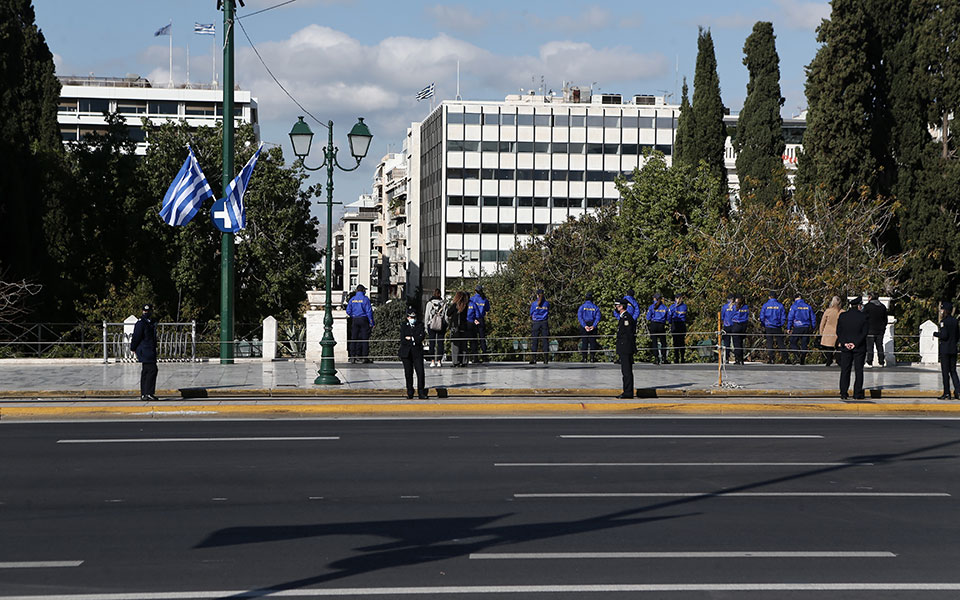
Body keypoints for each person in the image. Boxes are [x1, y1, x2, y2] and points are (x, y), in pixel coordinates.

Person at [836, 296, 869, 400]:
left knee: (845, 370)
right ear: (859, 305)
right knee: (858, 370)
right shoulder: (864, 317)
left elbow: (839, 332)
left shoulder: (843, 316)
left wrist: (845, 343)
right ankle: (857, 393)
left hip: (845, 347)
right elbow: (864, 333)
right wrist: (855, 343)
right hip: (859, 347)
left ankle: (843, 392)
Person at [130, 304, 159, 401]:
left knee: (147, 371)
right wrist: (133, 347)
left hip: (149, 350)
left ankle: (145, 393)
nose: (146, 313)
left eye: (148, 311)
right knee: (151, 370)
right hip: (145, 350)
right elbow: (136, 336)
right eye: (145, 311)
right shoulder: (141, 323)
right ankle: (148, 393)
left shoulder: (150, 322)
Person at [398, 307, 428, 399]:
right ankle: (410, 391)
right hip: (406, 353)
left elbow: (421, 337)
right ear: (407, 317)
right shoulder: (404, 325)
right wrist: (414, 338)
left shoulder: (420, 325)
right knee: (408, 373)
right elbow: (403, 339)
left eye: (414, 317)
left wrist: (411, 338)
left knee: (420, 372)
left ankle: (421, 392)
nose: (412, 319)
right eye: (411, 317)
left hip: (417, 352)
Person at [934, 301, 960, 400]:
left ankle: (947, 392)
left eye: (942, 309)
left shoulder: (943, 322)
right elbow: (958, 335)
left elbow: (944, 336)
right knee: (953, 371)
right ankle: (958, 391)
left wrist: (936, 334)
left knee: (945, 372)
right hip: (953, 349)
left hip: (945, 350)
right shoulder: (955, 321)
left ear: (945, 310)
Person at [346, 284, 375, 364]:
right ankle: (364, 357)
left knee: (354, 338)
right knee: (364, 339)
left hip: (355, 320)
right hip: (363, 319)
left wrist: (353, 315)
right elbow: (369, 312)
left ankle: (353, 356)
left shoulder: (352, 299)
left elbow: (348, 311)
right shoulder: (365, 299)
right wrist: (372, 323)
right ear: (363, 291)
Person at [614, 297, 636, 398]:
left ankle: (628, 392)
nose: (616, 307)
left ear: (621, 306)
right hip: (624, 348)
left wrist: (623, 348)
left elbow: (628, 335)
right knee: (625, 371)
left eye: (617, 306)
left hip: (626, 348)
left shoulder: (626, 318)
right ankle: (627, 391)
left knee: (626, 371)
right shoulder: (623, 317)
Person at [787, 294, 816, 365]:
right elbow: (813, 317)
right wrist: (813, 327)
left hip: (797, 327)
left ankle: (797, 355)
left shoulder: (794, 306)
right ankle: (802, 358)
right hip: (806, 327)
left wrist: (789, 328)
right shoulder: (808, 306)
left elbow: (790, 318)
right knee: (804, 344)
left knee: (793, 342)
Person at [759, 292, 787, 364]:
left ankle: (771, 358)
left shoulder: (765, 305)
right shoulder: (780, 305)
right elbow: (783, 316)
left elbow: (762, 317)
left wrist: (763, 324)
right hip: (777, 326)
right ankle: (785, 358)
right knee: (781, 343)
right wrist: (781, 324)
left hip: (768, 326)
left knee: (769, 343)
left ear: (769, 297)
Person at [864, 292, 888, 367]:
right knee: (880, 346)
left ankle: (869, 362)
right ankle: (881, 362)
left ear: (870, 297)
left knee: (870, 347)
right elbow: (885, 319)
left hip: (870, 330)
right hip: (880, 330)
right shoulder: (882, 307)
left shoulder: (867, 306)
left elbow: (864, 318)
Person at [446, 291, 469, 367]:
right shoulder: (466, 306)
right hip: (464, 328)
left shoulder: (455, 305)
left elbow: (448, 313)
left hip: (455, 328)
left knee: (455, 346)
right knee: (464, 346)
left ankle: (456, 361)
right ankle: (464, 361)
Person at [469, 286, 491, 363]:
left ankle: (475, 357)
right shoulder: (484, 299)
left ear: (475, 291)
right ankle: (484, 356)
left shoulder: (472, 299)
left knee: (474, 339)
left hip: (473, 319)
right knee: (482, 338)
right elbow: (487, 309)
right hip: (481, 319)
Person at [425, 289, 446, 367]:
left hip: (431, 324)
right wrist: (446, 324)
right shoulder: (443, 304)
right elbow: (446, 316)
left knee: (432, 343)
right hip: (441, 325)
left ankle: (432, 361)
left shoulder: (429, 304)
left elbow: (426, 316)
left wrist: (426, 326)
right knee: (440, 343)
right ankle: (439, 361)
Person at [646, 293, 669, 365]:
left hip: (654, 324)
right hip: (661, 325)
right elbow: (668, 318)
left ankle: (656, 358)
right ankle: (664, 357)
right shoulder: (665, 307)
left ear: (655, 299)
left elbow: (648, 317)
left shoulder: (651, 307)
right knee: (663, 342)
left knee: (654, 342)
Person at [577, 292, 601, 361]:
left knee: (584, 342)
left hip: (584, 324)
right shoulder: (595, 307)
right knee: (593, 342)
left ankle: (584, 358)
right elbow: (598, 317)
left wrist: (584, 326)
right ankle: (592, 358)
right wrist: (593, 326)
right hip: (592, 323)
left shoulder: (582, 307)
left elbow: (580, 317)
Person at [819, 296, 842, 367]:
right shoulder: (842, 312)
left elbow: (822, 323)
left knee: (828, 348)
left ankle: (829, 360)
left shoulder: (828, 311)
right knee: (838, 348)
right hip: (839, 332)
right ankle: (838, 360)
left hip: (828, 332)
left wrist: (821, 332)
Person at [529, 289, 551, 364]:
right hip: (544, 322)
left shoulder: (534, 304)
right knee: (545, 341)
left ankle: (534, 358)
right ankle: (545, 359)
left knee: (535, 341)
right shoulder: (547, 304)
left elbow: (531, 313)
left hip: (536, 323)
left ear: (537, 295)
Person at [728, 294, 750, 365]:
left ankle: (738, 359)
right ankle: (741, 359)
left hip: (736, 324)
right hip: (743, 325)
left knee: (736, 344)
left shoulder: (734, 307)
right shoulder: (746, 307)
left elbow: (731, 315)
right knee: (741, 343)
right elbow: (747, 315)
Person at [668, 293, 688, 364]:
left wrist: (676, 306)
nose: (679, 300)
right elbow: (669, 316)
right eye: (677, 298)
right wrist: (670, 323)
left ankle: (682, 357)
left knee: (682, 341)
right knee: (675, 342)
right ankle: (676, 358)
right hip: (675, 323)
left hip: (681, 323)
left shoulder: (684, 306)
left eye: (680, 298)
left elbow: (684, 314)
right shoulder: (672, 306)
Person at [720, 294, 736, 363]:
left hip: (727, 325)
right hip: (734, 325)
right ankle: (736, 357)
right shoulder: (735, 306)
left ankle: (726, 358)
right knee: (735, 342)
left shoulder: (725, 307)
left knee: (727, 343)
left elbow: (722, 316)